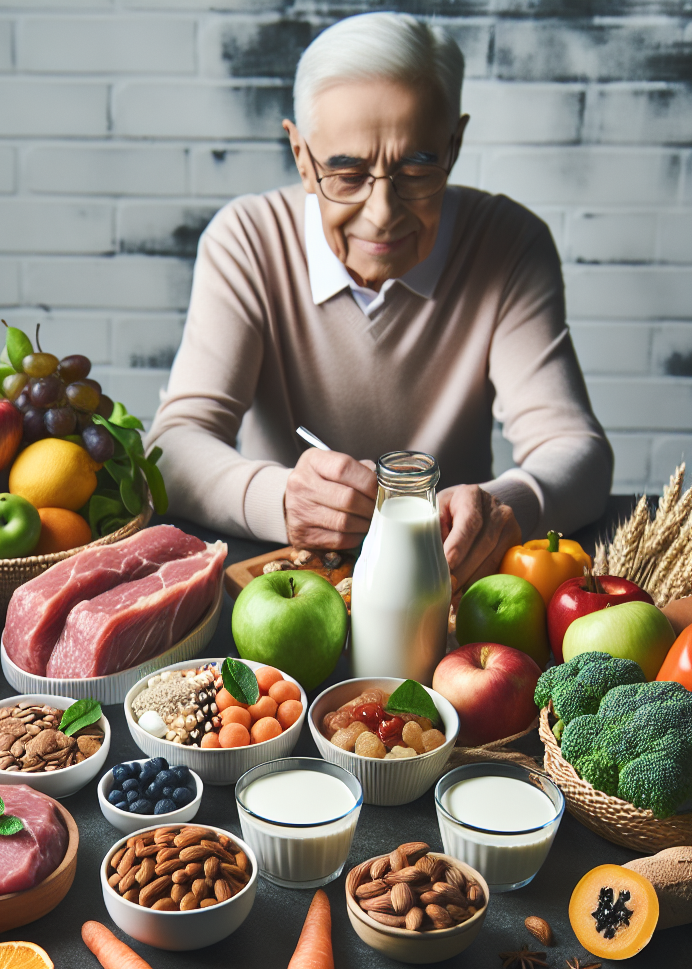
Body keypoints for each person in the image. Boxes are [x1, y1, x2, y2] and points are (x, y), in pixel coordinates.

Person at [146, 12, 612, 595]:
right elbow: (172, 446)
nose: (383, 213)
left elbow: (580, 455)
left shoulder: (510, 243)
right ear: (300, 155)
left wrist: (500, 505)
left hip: (450, 586)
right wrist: (282, 498)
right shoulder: (247, 238)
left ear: (455, 144)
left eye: (417, 167)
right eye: (346, 172)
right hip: (288, 586)